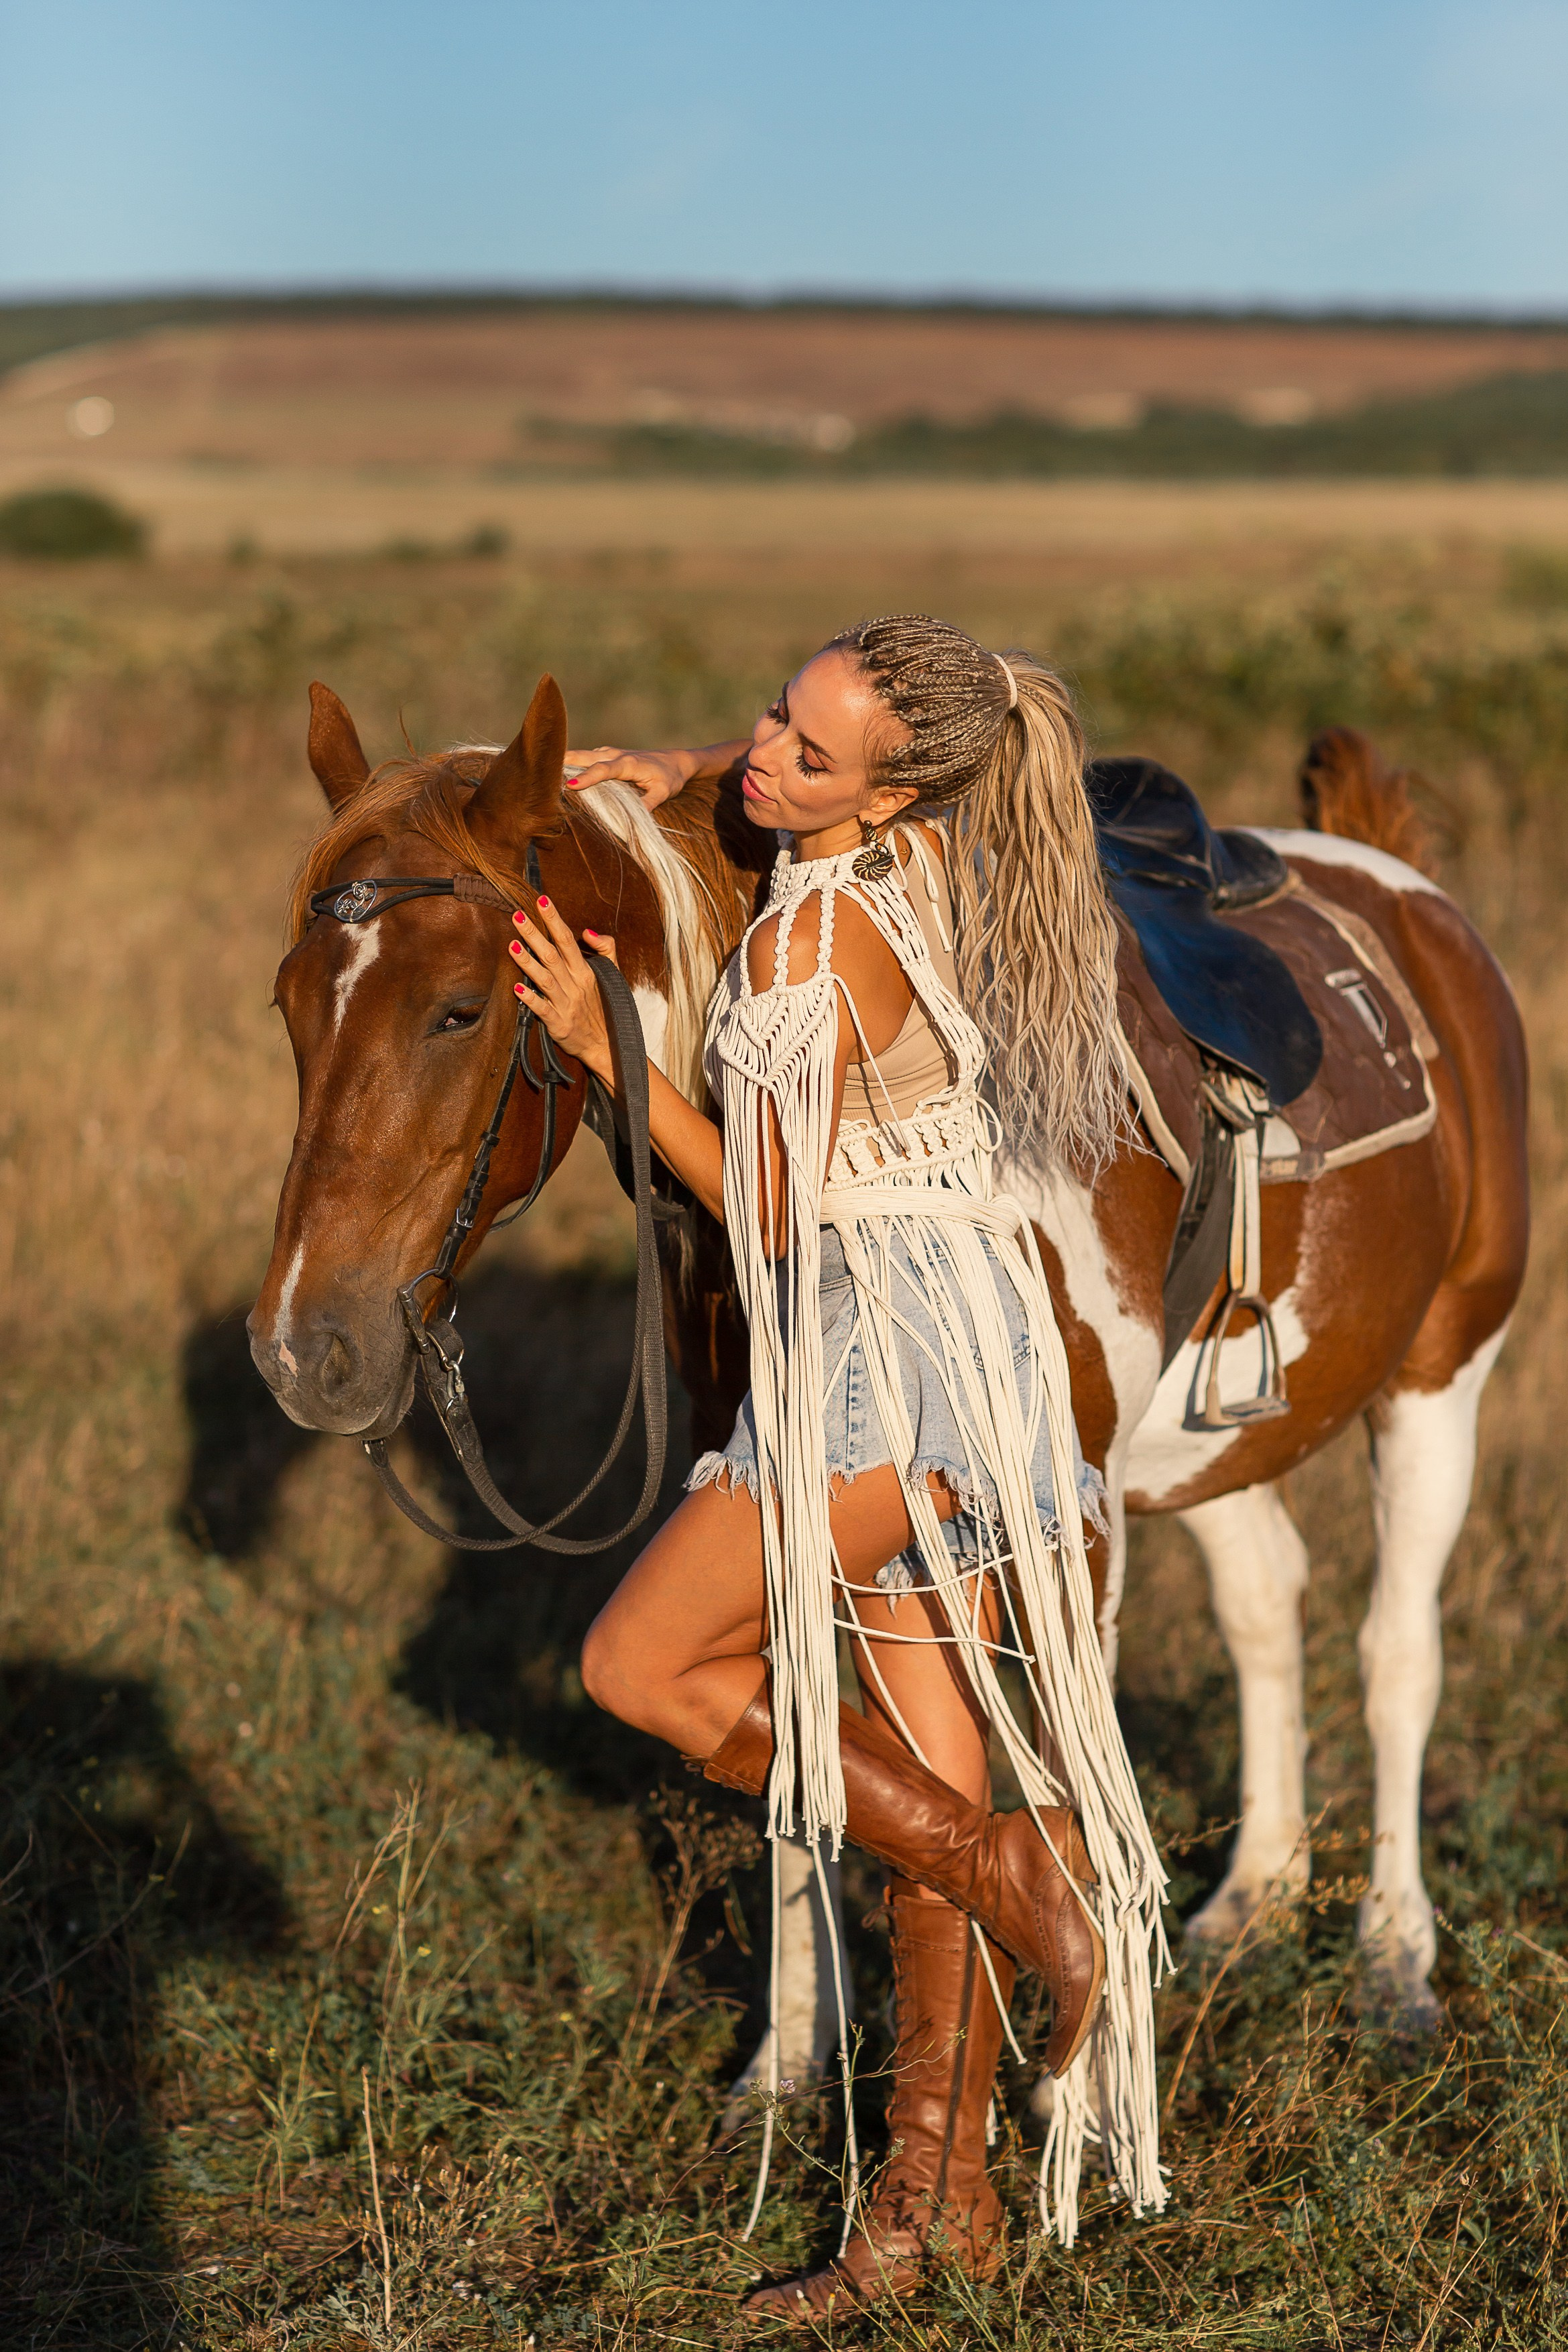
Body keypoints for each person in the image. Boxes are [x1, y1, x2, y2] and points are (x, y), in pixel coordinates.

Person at [510, 614, 1167, 2318]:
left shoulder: (807, 956)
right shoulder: (935, 854)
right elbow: (779, 785)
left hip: (872, 1355)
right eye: (768, 720)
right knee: (925, 1769)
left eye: (805, 754)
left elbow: (772, 1205)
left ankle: (1022, 1876)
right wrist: (680, 771)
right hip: (961, 1335)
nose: (761, 757)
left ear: (887, 798)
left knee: (641, 1664)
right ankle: (931, 2214)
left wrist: (609, 1046)